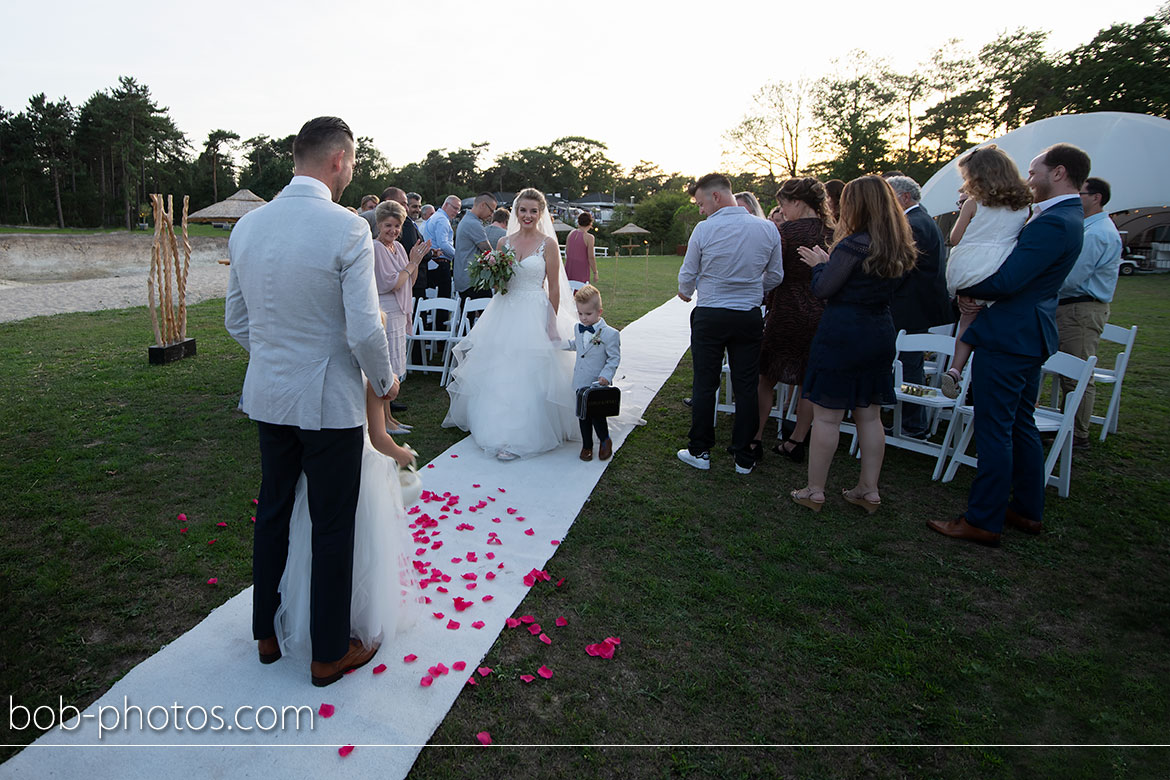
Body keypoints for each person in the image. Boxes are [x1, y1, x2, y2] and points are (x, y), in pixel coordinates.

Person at [224, 116, 397, 686]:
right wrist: (385, 380)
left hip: (269, 393)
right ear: (339, 161)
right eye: (351, 165)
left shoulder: (248, 228)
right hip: (328, 402)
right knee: (331, 524)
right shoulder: (348, 228)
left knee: (273, 510)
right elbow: (365, 331)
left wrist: (277, 358)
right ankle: (327, 653)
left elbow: (236, 321)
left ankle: (266, 633)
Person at [928, 143, 1089, 546]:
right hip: (1026, 332)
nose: (1028, 177)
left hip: (1011, 334)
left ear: (1059, 173)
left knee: (994, 427)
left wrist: (967, 291)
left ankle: (983, 520)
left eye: (1034, 170)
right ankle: (1026, 510)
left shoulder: (1055, 222)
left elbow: (1010, 279)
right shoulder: (1059, 215)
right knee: (1020, 425)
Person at [274, 360, 420, 668]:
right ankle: (359, 616)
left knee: (316, 538)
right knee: (362, 545)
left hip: (319, 464)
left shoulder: (328, 373)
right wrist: (403, 454)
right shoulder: (373, 378)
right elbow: (380, 438)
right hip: (362, 470)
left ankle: (312, 613)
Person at [790, 176, 917, 513]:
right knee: (869, 415)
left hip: (844, 331)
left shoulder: (852, 245)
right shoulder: (897, 245)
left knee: (828, 417)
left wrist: (821, 266)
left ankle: (815, 490)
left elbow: (824, 289)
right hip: (879, 331)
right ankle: (868, 489)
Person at [443, 187, 579, 460]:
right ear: (516, 212)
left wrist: (551, 324)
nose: (527, 215)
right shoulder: (504, 242)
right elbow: (500, 285)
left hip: (534, 311)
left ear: (541, 214)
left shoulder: (548, 244)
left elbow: (553, 288)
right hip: (505, 310)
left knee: (529, 372)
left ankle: (523, 435)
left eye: (533, 211)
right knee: (501, 369)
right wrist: (492, 270)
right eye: (523, 210)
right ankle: (496, 429)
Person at [677, 173, 784, 475]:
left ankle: (700, 450)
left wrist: (685, 292)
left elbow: (688, 273)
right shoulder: (767, 229)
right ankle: (743, 456)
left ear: (716, 196)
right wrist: (751, 287)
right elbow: (776, 276)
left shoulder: (705, 229)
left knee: (705, 383)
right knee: (747, 385)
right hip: (748, 315)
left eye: (700, 203)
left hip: (711, 313)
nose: (700, 210)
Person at [937, 146, 1033, 399]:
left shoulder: (973, 203)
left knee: (966, 320)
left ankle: (956, 368)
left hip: (968, 266)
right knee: (990, 318)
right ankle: (973, 375)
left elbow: (955, 238)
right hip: (1000, 265)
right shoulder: (1023, 206)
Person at [753, 177, 834, 463]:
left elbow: (770, 272)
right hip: (821, 315)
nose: (782, 210)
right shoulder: (833, 232)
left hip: (787, 311)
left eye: (783, 204)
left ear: (797, 202)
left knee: (766, 377)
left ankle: (756, 436)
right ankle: (796, 440)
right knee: (807, 381)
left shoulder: (784, 232)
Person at [1057, 176, 1123, 448]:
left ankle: (1078, 433)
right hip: (1074, 306)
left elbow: (1072, 278)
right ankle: (1067, 425)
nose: (1076, 199)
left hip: (1080, 309)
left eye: (1080, 194)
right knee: (1066, 371)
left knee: (1076, 372)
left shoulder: (1097, 233)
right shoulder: (1090, 228)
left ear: (1096, 197)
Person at [886, 175, 952, 437]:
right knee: (908, 364)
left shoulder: (914, 224)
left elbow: (902, 269)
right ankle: (909, 416)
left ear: (903, 197)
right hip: (913, 306)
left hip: (910, 306)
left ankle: (914, 421)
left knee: (909, 366)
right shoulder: (921, 220)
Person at [373, 200, 430, 433]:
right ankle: (383, 421)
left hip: (398, 312)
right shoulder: (377, 248)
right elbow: (393, 283)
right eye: (388, 226)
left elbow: (409, 282)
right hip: (385, 311)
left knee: (393, 367)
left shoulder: (396, 247)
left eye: (397, 226)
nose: (393, 231)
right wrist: (412, 263)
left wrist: (413, 263)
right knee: (385, 368)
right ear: (378, 224)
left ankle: (390, 419)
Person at [567, 283, 621, 461]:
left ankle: (605, 440)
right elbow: (578, 345)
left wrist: (606, 375)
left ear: (600, 312)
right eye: (580, 313)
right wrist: (561, 344)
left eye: (588, 314)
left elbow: (613, 358)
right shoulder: (578, 328)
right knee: (583, 416)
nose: (583, 318)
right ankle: (586, 445)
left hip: (597, 383)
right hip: (580, 380)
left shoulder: (610, 334)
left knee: (597, 415)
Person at [454, 192, 498, 303]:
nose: (491, 215)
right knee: (487, 315)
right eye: (491, 210)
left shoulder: (466, 220)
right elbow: (488, 251)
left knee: (469, 318)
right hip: (473, 281)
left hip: (464, 279)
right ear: (483, 205)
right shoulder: (473, 223)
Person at [421, 195, 460, 305]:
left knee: (433, 302)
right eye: (455, 208)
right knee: (443, 303)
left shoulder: (434, 217)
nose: (457, 212)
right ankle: (440, 322)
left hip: (433, 262)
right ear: (446, 205)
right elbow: (443, 244)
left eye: (458, 209)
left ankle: (435, 322)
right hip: (441, 264)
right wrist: (458, 256)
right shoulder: (442, 220)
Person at [565, 212, 598, 284]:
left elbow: (567, 251)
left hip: (569, 268)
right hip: (581, 269)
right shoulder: (589, 237)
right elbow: (591, 257)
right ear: (590, 224)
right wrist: (595, 272)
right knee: (581, 291)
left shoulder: (571, 233)